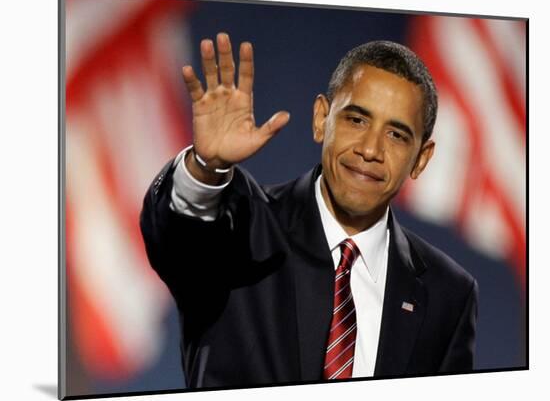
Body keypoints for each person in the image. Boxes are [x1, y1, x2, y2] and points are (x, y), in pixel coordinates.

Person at [140, 32, 478, 388]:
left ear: (421, 160)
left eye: (396, 134)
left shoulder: (448, 294)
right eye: (356, 120)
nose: (370, 149)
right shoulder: (241, 227)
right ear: (321, 119)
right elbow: (176, 235)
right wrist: (206, 168)